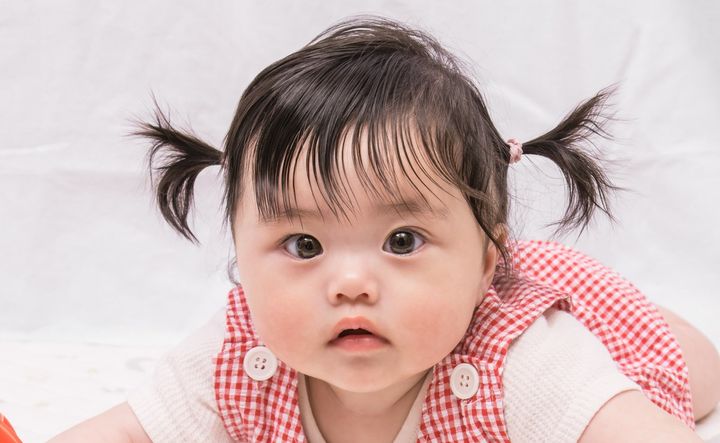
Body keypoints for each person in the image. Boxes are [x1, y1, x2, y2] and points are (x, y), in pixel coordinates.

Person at [49, 15, 720, 442]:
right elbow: (130, 429)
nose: (350, 283)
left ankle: (644, 320)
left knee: (697, 376)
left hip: (588, 323)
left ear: (487, 264)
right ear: (242, 260)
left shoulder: (524, 364)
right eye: (304, 245)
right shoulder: (241, 355)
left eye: (402, 241)